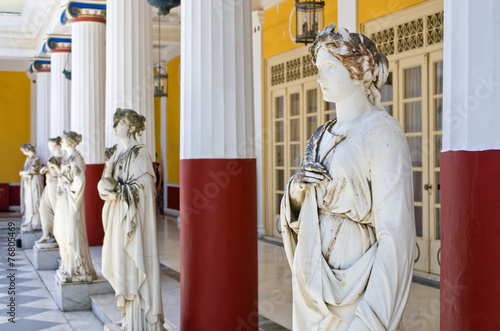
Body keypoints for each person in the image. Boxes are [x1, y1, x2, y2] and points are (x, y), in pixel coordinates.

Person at [280, 24, 415, 331]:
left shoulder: (383, 133)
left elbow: (396, 235)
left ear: (358, 71)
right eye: (318, 67)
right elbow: (300, 209)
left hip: (359, 286)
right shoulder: (322, 135)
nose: (319, 77)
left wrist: (372, 318)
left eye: (329, 67)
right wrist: (298, 189)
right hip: (312, 277)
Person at [98, 108, 164, 331]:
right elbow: (103, 186)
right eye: (115, 121)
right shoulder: (119, 155)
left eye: (121, 121)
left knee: (132, 265)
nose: (115, 125)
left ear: (133, 127)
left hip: (133, 221)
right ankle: (127, 316)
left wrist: (118, 191)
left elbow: (144, 190)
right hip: (119, 218)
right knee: (119, 265)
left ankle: (139, 321)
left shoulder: (141, 153)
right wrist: (108, 165)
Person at [52, 131, 96, 282]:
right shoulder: (68, 159)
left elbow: (78, 183)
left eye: (63, 140)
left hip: (70, 201)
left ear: (70, 142)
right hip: (63, 200)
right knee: (60, 232)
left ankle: (77, 268)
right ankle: (67, 264)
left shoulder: (77, 159)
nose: (61, 143)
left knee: (71, 234)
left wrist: (66, 188)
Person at [36, 137, 63, 245]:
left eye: (50, 145)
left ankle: (58, 235)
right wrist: (46, 169)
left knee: (56, 210)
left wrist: (53, 166)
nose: (49, 147)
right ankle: (47, 233)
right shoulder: (52, 157)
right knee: (43, 208)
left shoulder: (62, 158)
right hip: (48, 185)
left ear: (57, 145)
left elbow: (62, 174)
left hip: (55, 186)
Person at [19, 143, 44, 231]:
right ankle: (29, 219)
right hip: (28, 183)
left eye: (24, 151)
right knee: (28, 202)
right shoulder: (28, 159)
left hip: (34, 182)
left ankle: (36, 221)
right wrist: (24, 172)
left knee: (35, 201)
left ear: (28, 149)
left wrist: (23, 173)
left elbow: (33, 170)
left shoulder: (36, 158)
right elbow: (24, 169)